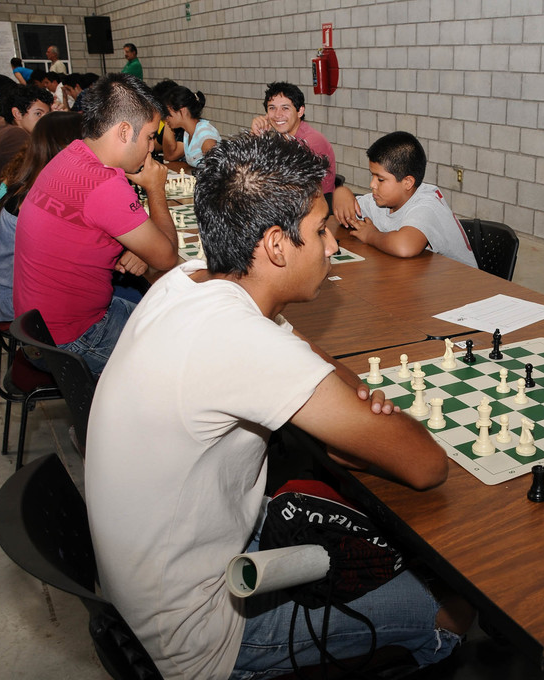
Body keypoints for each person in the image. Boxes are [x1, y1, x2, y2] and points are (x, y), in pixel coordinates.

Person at [85, 131, 470, 679]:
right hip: (201, 635)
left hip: (153, 581)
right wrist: (362, 421)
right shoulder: (242, 343)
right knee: (452, 608)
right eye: (319, 232)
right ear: (274, 245)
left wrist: (346, 404)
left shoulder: (183, 281)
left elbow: (297, 349)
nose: (333, 245)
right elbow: (427, 466)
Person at [12, 73, 178, 376]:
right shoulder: (104, 183)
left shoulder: (71, 155)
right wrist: (156, 188)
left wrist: (136, 248)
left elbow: (89, 231)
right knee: (181, 355)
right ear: (125, 131)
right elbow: (166, 257)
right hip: (73, 339)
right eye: (150, 136)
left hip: (38, 330)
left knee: (165, 318)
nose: (152, 148)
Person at [0, 111, 82, 321]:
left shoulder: (30, 181)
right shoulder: (45, 200)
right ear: (68, 149)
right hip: (19, 305)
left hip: (6, 291)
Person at [333, 131, 478, 268]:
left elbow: (405, 247)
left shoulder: (427, 205)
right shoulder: (380, 200)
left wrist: (371, 235)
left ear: (407, 182)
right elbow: (348, 214)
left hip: (461, 285)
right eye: (372, 176)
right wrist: (342, 193)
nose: (372, 184)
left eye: (380, 179)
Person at [0, 84, 53, 230]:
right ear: (17, 114)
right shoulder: (16, 136)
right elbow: (41, 175)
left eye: (48, 115)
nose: (45, 121)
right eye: (38, 114)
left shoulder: (3, 128)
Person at [250, 81, 335, 198]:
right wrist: (256, 137)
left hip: (314, 209)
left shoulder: (311, 142)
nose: (277, 115)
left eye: (285, 108)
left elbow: (285, 188)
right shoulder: (282, 138)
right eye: (272, 108)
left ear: (300, 111)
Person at [160, 86, 220, 168]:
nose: (165, 118)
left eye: (167, 113)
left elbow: (215, 166)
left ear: (183, 111)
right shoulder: (187, 133)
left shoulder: (204, 132)